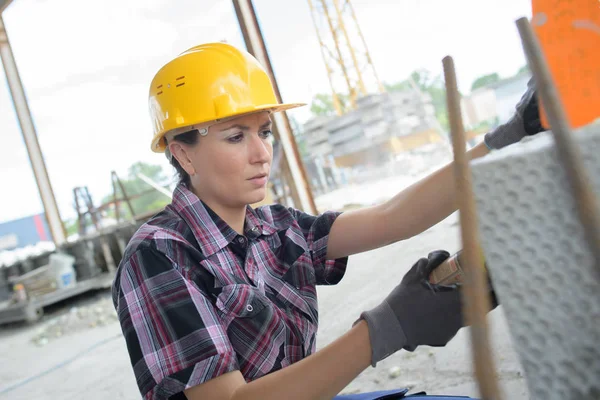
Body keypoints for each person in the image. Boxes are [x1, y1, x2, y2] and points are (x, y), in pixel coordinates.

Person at [112, 42, 543, 400]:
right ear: (182, 152)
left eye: (264, 131)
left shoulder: (275, 230)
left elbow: (393, 217)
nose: (263, 153)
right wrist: (384, 328)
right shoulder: (158, 256)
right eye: (235, 136)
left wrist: (507, 136)